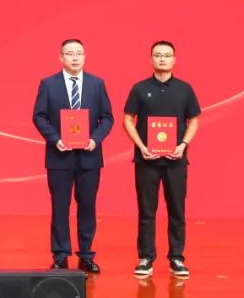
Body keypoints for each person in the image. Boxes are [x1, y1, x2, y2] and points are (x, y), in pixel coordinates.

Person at [32, 39, 114, 273]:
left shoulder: (97, 84)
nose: (75, 58)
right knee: (60, 206)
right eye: (70, 53)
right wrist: (55, 139)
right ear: (61, 57)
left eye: (79, 53)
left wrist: (94, 139)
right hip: (59, 156)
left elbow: (107, 117)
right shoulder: (48, 84)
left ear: (85, 56)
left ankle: (86, 255)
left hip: (89, 156)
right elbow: (39, 116)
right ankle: (60, 255)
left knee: (87, 206)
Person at [123, 41, 201, 278]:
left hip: (176, 160)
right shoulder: (139, 88)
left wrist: (183, 145)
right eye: (158, 55)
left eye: (167, 55)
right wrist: (141, 146)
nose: (162, 59)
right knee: (147, 211)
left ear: (174, 60)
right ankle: (146, 257)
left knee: (177, 210)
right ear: (151, 59)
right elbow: (128, 119)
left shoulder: (185, 89)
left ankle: (176, 257)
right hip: (146, 160)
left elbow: (193, 120)